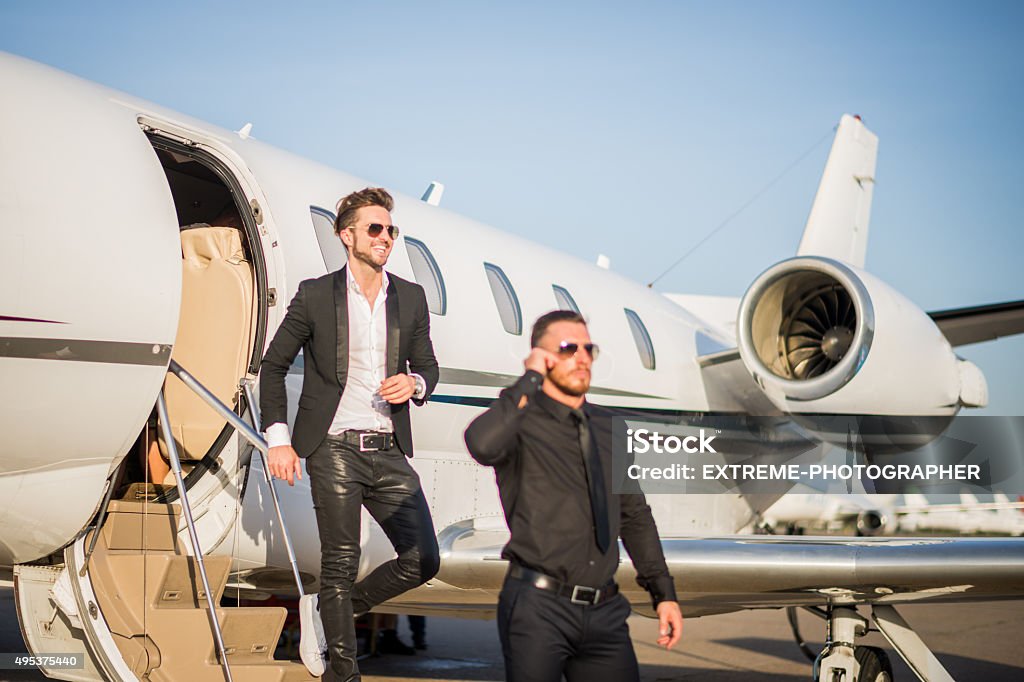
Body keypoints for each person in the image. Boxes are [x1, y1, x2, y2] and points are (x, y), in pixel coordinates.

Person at [259, 187, 440, 681]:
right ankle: (344, 673)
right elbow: (272, 367)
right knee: (339, 563)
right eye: (376, 229)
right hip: (334, 446)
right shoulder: (315, 294)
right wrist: (278, 438)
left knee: (423, 558)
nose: (386, 238)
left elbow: (427, 365)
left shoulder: (411, 297)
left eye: (391, 230)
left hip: (388, 447)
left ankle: (325, 613)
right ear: (347, 236)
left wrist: (415, 383)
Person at [464, 310, 683, 682]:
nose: (582, 357)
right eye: (568, 348)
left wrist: (664, 593)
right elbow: (481, 444)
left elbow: (633, 514)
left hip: (606, 614)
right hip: (538, 609)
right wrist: (529, 378)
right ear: (541, 356)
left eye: (588, 348)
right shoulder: (519, 421)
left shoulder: (611, 426)